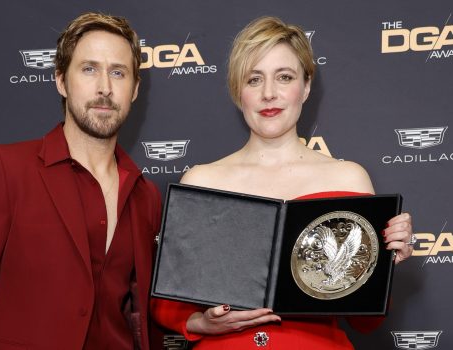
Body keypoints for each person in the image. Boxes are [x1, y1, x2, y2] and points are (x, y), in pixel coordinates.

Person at [152, 16, 414, 349]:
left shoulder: (348, 177)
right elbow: (170, 306)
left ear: (305, 87)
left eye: (284, 77)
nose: (269, 94)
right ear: (237, 92)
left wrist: (386, 262)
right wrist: (201, 323)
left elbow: (365, 320)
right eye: (254, 79)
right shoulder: (201, 180)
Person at [0, 13, 162, 350]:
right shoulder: (6, 169)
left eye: (118, 72)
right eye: (89, 69)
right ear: (60, 80)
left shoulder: (145, 195)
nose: (105, 87)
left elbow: (142, 315)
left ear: (134, 90)